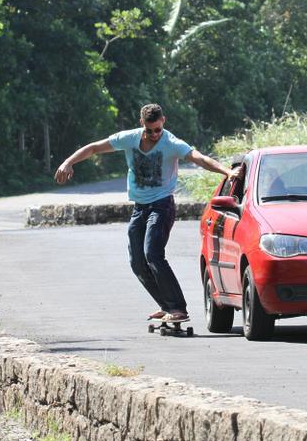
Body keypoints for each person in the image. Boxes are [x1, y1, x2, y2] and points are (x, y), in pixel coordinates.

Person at [54, 103, 243, 322]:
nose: (154, 135)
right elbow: (95, 147)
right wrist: (68, 162)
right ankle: (166, 305)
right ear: (141, 123)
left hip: (162, 205)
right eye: (149, 130)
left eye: (157, 130)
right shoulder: (129, 138)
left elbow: (199, 158)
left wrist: (227, 171)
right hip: (139, 208)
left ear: (163, 121)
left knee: (152, 253)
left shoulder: (171, 142)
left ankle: (178, 308)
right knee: (137, 261)